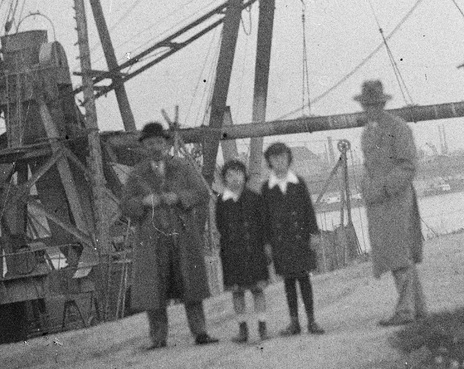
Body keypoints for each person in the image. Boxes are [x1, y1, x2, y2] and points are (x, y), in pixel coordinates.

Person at [120, 122, 218, 349]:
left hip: (181, 236)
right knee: (154, 289)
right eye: (150, 143)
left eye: (159, 142)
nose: (155, 147)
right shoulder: (136, 175)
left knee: (191, 286)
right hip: (152, 239)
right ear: (144, 146)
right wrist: (143, 202)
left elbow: (202, 192)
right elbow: (125, 205)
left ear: (165, 144)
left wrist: (180, 197)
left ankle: (201, 332)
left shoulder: (182, 167)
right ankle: (158, 338)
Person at [356, 79, 426, 327]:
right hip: (377, 203)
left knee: (400, 254)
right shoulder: (367, 133)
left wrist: (385, 187)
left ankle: (406, 311)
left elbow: (408, 164)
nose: (370, 109)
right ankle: (417, 308)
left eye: (375, 105)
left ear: (383, 104)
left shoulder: (398, 128)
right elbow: (366, 166)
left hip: (397, 200)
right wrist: (365, 187)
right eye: (367, 105)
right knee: (393, 253)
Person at [260, 143, 323, 335]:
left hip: (301, 240)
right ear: (269, 162)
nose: (279, 161)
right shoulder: (266, 188)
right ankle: (294, 322)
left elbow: (309, 210)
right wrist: (267, 244)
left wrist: (314, 234)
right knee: (288, 283)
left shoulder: (299, 182)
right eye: (275, 158)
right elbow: (264, 219)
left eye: (283, 157)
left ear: (289, 159)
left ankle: (312, 320)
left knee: (305, 280)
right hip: (281, 243)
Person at [213, 159, 270, 343]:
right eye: (229, 175)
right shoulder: (221, 202)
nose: (234, 178)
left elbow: (263, 225)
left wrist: (266, 247)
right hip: (232, 254)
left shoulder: (255, 198)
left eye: (237, 173)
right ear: (224, 179)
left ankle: (262, 327)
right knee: (237, 292)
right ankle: (242, 330)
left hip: (254, 252)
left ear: (244, 176)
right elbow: (220, 226)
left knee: (257, 290)